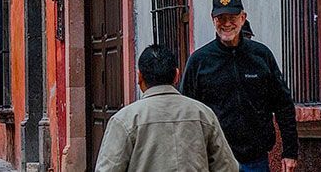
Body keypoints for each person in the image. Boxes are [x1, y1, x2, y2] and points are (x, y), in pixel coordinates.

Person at [182, 0, 299, 172]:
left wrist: (290, 151)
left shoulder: (261, 56)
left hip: (256, 159)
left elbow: (283, 104)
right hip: (214, 160)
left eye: (232, 17)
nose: (227, 23)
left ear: (243, 18)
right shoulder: (199, 61)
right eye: (221, 18)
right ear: (213, 20)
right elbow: (186, 112)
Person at [95, 44, 238, 172]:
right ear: (176, 75)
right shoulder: (203, 114)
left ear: (139, 77)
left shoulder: (125, 120)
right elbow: (227, 167)